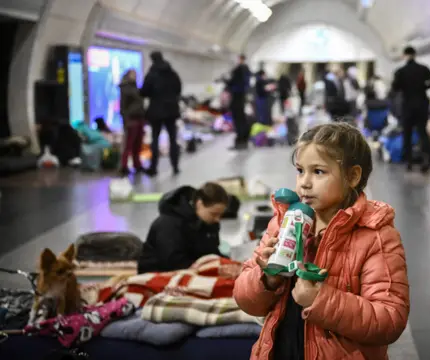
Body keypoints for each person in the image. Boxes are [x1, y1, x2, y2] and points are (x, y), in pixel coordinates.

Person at [233, 123, 410, 360]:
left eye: (318, 172)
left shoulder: (375, 236)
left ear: (353, 176)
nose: (304, 182)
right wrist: (267, 279)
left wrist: (320, 300)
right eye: (300, 170)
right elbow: (246, 301)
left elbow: (389, 319)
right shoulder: (283, 222)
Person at [137, 182, 230, 274]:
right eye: (214, 214)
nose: (217, 219)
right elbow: (172, 262)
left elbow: (211, 252)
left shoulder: (209, 223)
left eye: (220, 215)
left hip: (188, 270)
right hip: (159, 273)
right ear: (199, 204)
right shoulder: (169, 223)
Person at [392, 46, 430, 172]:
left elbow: (395, 87)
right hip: (422, 104)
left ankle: (409, 161)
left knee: (407, 133)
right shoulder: (424, 69)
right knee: (423, 132)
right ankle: (426, 159)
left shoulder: (400, 71)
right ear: (415, 54)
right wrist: (423, 86)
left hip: (407, 105)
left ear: (404, 55)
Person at [139, 51, 182, 176]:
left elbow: (144, 92)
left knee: (155, 140)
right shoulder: (172, 73)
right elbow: (178, 89)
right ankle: (175, 166)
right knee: (173, 139)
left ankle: (153, 168)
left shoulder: (152, 74)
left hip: (156, 111)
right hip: (172, 110)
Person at [118, 69, 145, 176]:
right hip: (131, 119)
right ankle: (124, 165)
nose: (135, 76)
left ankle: (137, 164)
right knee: (129, 144)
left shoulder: (136, 88)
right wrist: (126, 120)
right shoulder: (125, 89)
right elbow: (123, 106)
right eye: (133, 74)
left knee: (138, 144)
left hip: (139, 118)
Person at [227, 54, 252, 150]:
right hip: (241, 97)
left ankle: (240, 140)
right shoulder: (246, 70)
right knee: (241, 117)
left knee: (238, 118)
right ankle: (243, 140)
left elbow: (234, 82)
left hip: (237, 96)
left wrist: (228, 83)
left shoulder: (240, 69)